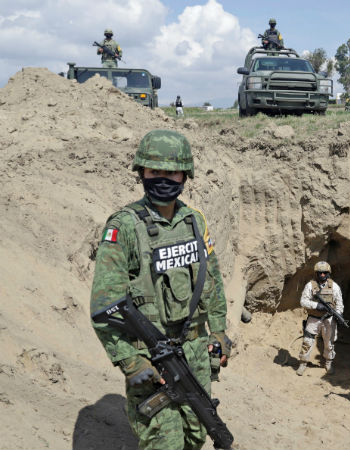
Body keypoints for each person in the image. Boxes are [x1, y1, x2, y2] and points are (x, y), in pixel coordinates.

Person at [90, 130, 232, 450]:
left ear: (185, 174)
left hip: (194, 352)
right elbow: (104, 304)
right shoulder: (123, 226)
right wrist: (130, 361)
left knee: (197, 434)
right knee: (164, 442)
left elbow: (213, 279)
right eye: (155, 172)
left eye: (171, 172)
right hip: (151, 356)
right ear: (142, 173)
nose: (163, 179)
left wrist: (219, 331)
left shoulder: (195, 221)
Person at [296, 261, 343, 376]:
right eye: (320, 273)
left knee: (329, 343)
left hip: (329, 319)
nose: (322, 275)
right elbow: (303, 301)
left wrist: (338, 315)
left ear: (328, 273)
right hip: (314, 318)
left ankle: (328, 362)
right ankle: (303, 363)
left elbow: (339, 304)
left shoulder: (334, 287)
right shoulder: (310, 285)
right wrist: (317, 305)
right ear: (316, 273)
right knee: (307, 341)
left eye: (324, 273)